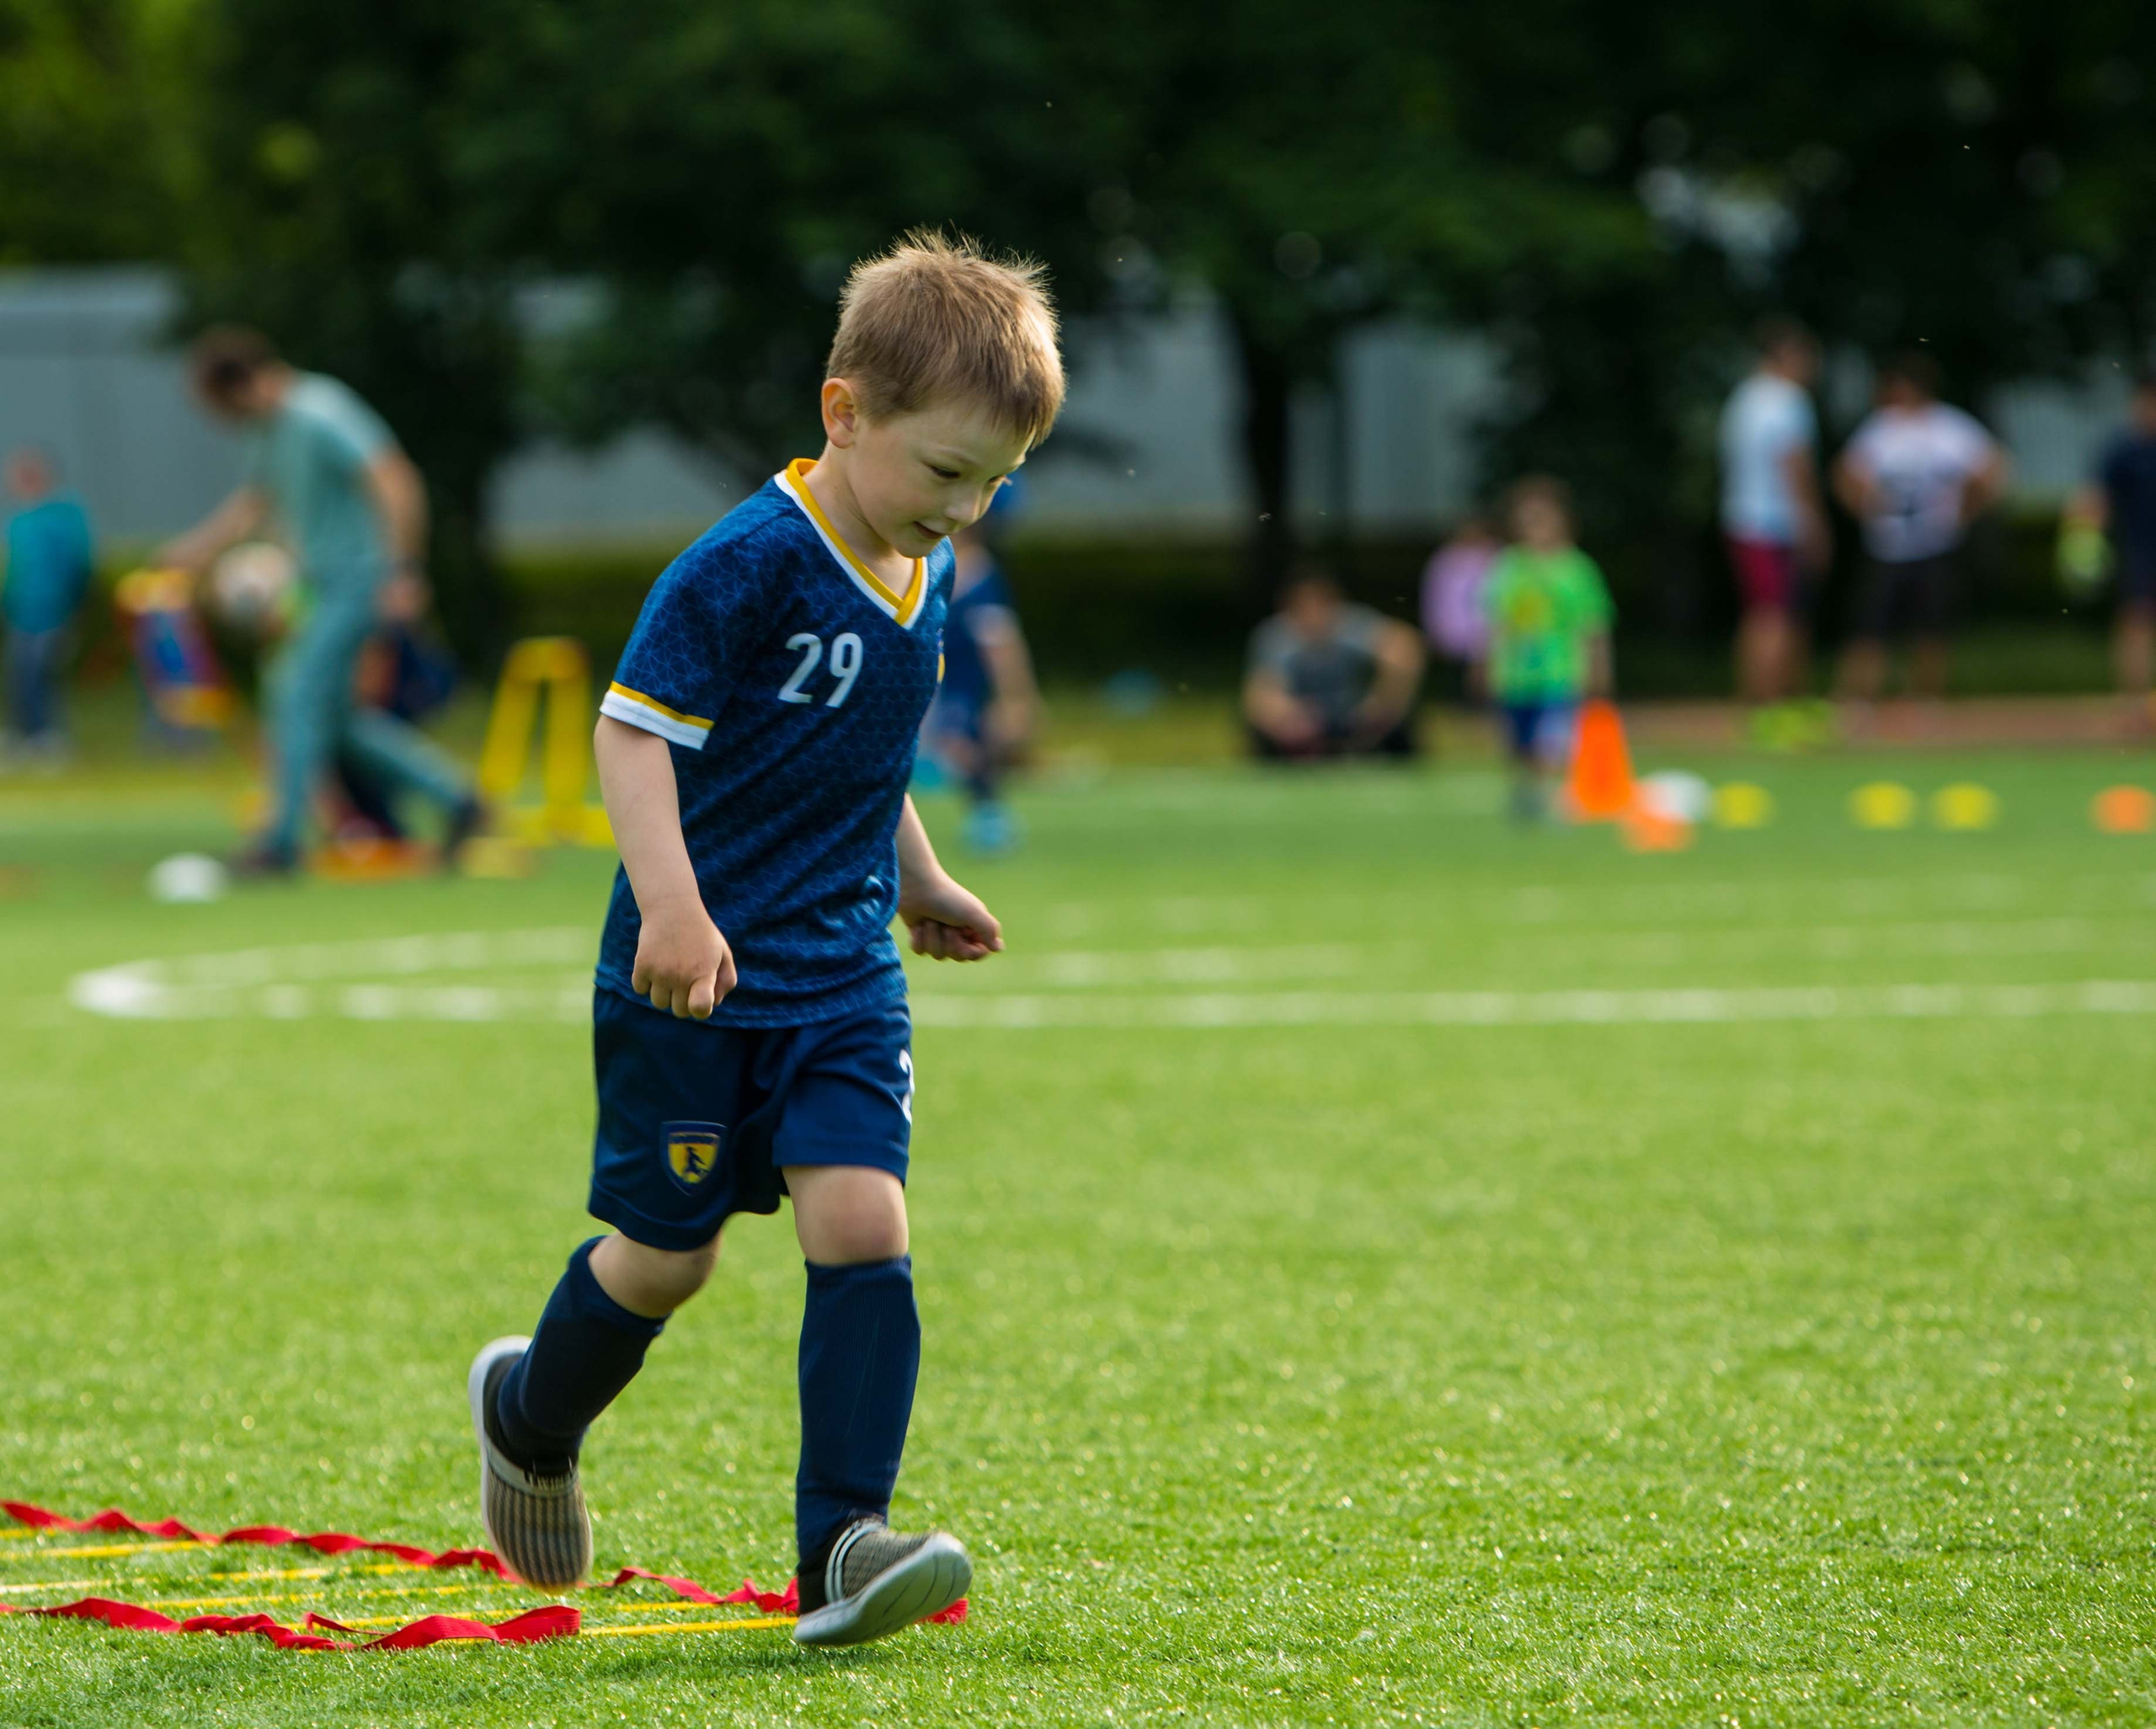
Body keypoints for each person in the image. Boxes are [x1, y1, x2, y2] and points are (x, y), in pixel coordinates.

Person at [464, 232, 1060, 1648]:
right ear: (844, 413)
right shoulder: (745, 562)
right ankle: (529, 1412)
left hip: (844, 971)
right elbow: (631, 733)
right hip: (695, 977)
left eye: (994, 485)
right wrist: (673, 905)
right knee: (668, 1259)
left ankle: (843, 1545)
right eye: (944, 471)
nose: (964, 507)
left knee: (863, 1218)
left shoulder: (928, 571)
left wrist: (917, 875)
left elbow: (863, 756)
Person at [156, 328, 481, 873]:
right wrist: (192, 552)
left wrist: (402, 569)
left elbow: (394, 478)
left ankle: (278, 843)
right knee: (337, 721)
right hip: (319, 586)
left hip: (358, 580)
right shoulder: (269, 430)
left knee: (294, 693)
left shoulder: (319, 410)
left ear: (240, 386)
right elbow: (257, 500)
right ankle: (459, 800)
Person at [1833, 351, 2009, 711]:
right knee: (1871, 627)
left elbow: (1994, 470)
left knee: (1932, 627)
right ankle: (1860, 701)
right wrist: (1866, 509)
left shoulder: (1950, 427)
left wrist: (1964, 512)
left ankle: (1924, 699)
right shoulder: (1881, 429)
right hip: (1888, 545)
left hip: (1935, 543)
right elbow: (1844, 475)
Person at [1481, 475, 1613, 819]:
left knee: (1551, 741)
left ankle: (1549, 797)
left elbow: (1593, 625)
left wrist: (1600, 668)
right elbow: (1497, 622)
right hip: (1515, 674)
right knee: (1518, 744)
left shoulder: (1577, 569)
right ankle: (1527, 794)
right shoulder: (1509, 567)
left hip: (1561, 671)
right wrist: (1485, 664)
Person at [920, 483, 1038, 852]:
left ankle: (989, 818)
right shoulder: (931, 563)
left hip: (960, 687)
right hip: (932, 684)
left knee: (965, 747)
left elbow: (1001, 645)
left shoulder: (978, 576)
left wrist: (1016, 698)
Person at [1719, 318, 1828, 709]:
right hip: (1774, 523)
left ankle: (1758, 703)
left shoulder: (1744, 398)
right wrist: (1813, 522)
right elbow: (1793, 465)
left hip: (1742, 519)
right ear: (1785, 355)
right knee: (1776, 616)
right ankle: (1773, 707)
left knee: (1761, 614)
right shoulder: (1786, 400)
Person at [1243, 567, 1426, 759]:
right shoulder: (1276, 637)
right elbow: (1261, 692)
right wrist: (1287, 715)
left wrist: (1382, 701)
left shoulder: (1352, 626)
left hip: (1353, 718)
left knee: (1396, 725)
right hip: (1302, 721)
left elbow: (1406, 649)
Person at [2065, 369, 2156, 734]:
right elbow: (2093, 499)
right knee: (2135, 626)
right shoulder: (2122, 448)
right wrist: (2080, 542)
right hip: (2139, 551)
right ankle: (2136, 710)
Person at [1, 446, 95, 766]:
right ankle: (24, 734)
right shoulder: (18, 520)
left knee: (44, 672)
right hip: (21, 614)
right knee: (21, 673)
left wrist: (73, 607)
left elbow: (78, 566)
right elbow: (12, 570)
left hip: (54, 612)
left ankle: (49, 736)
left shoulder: (64, 516)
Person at [1420, 513, 1500, 698]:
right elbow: (1434, 597)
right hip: (1451, 639)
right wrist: (1435, 630)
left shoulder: (1496, 557)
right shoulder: (1444, 558)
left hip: (1487, 641)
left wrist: (1487, 640)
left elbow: (1494, 602)